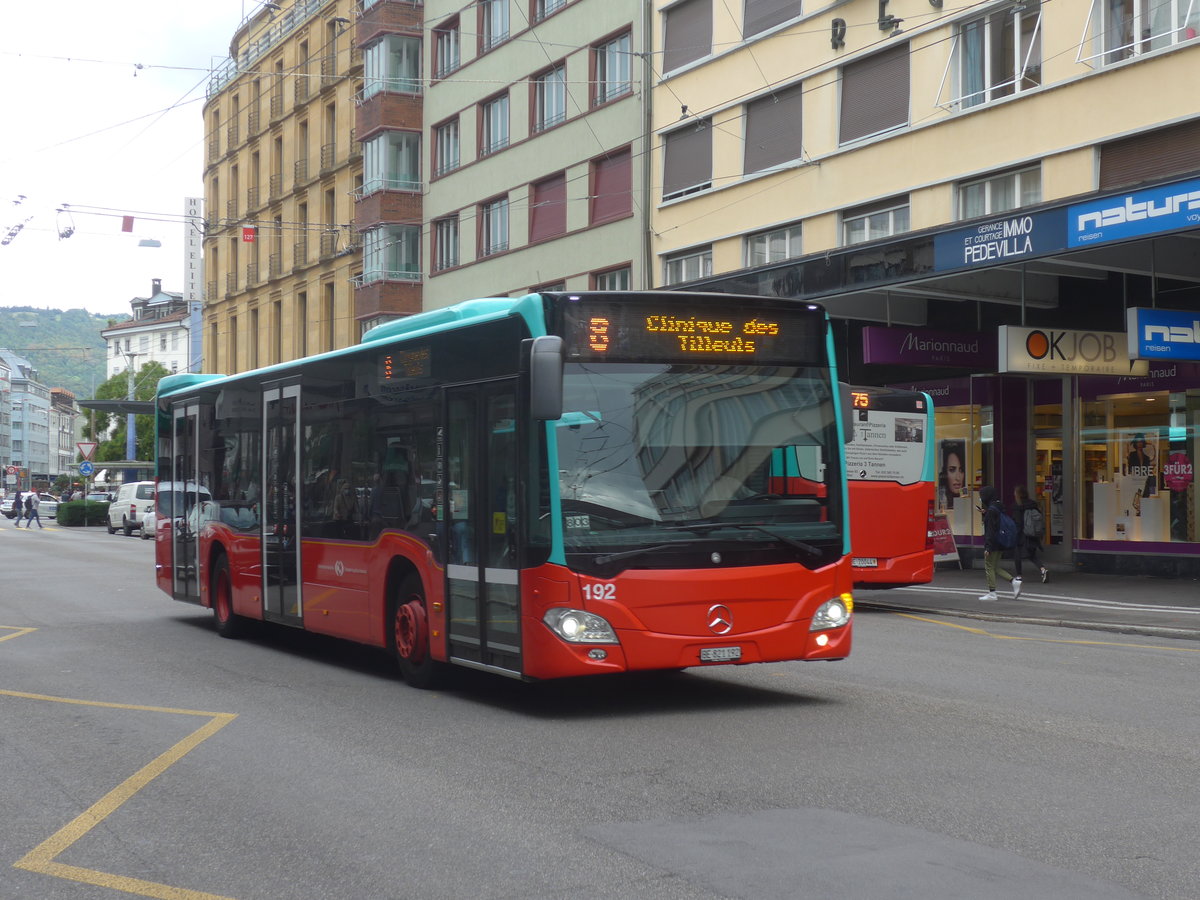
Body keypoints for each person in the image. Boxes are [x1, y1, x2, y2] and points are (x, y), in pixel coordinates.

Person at [978, 485, 1020, 601]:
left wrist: (988, 547)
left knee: (988, 566)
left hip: (993, 543)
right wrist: (985, 513)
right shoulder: (997, 507)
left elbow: (990, 530)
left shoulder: (991, 511)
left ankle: (992, 593)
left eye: (982, 496)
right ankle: (1014, 581)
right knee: (995, 567)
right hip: (1001, 541)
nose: (981, 499)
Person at [1012, 484, 1049, 584]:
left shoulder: (1018, 506)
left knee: (1017, 554)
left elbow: (1017, 522)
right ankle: (1043, 569)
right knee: (1032, 555)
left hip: (1022, 534)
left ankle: (1019, 576)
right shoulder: (1033, 504)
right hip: (1032, 534)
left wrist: (1015, 534)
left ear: (1018, 495)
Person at [939, 440, 966, 508]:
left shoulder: (966, 502)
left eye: (961, 470)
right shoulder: (941, 498)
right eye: (952, 470)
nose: (958, 478)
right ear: (944, 472)